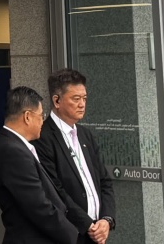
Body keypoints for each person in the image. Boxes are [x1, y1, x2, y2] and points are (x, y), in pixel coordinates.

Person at [0, 85, 94, 244]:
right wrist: (75, 237)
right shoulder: (12, 151)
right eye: (41, 115)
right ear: (27, 117)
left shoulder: (15, 145)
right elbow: (38, 206)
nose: (42, 121)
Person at [35, 69, 116, 244]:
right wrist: (87, 225)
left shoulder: (85, 135)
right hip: (70, 234)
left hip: (97, 233)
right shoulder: (43, 137)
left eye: (84, 98)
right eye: (76, 99)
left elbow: (104, 181)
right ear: (57, 101)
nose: (82, 104)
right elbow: (55, 191)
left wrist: (106, 220)